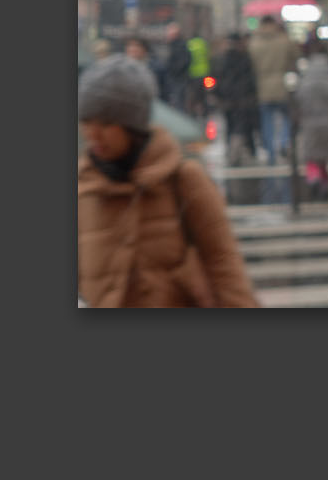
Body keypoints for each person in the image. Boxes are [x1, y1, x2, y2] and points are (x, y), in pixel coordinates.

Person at [77, 56, 258, 307]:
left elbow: (224, 266)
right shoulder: (82, 188)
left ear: (133, 125)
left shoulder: (183, 180)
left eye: (106, 123)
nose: (92, 134)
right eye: (86, 121)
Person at [293, 37, 328, 199]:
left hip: (310, 121)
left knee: (311, 155)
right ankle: (324, 184)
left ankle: (313, 178)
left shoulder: (305, 78)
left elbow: (298, 98)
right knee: (324, 157)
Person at [248, 16, 297, 164]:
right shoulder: (284, 41)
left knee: (267, 120)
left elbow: (251, 66)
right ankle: (284, 143)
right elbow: (295, 57)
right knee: (285, 118)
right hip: (282, 84)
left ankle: (270, 150)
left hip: (263, 87)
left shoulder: (254, 43)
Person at [213, 32, 260, 167]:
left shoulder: (221, 59)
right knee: (243, 126)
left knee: (230, 125)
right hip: (242, 98)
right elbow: (250, 79)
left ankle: (232, 150)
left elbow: (216, 79)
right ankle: (247, 150)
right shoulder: (244, 58)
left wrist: (217, 95)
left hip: (228, 99)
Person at [162, 22, 193, 112]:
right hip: (175, 78)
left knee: (178, 103)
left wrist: (173, 71)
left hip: (178, 78)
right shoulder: (173, 46)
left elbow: (183, 62)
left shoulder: (179, 46)